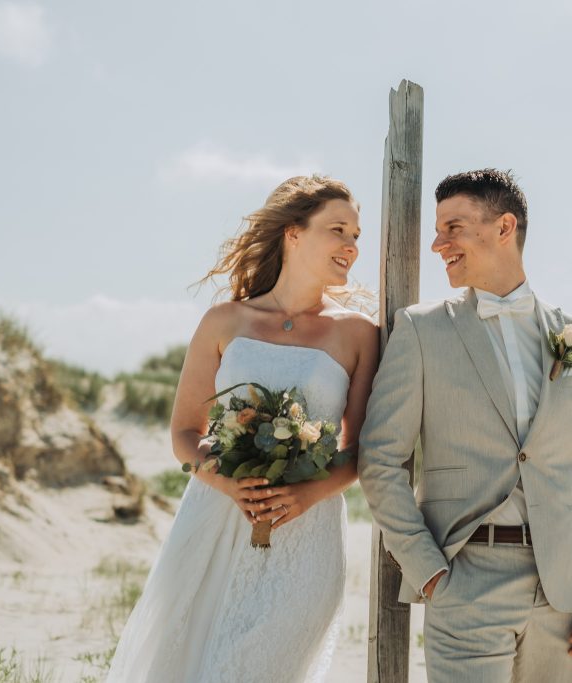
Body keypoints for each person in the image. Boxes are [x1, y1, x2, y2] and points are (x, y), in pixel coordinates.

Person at [358, 168, 572, 682]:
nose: (439, 244)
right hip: (465, 583)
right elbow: (380, 461)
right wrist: (431, 573)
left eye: (453, 227)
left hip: (566, 594)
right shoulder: (420, 330)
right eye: (438, 230)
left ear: (504, 227)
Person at [105, 175, 379, 683]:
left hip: (309, 534)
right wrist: (227, 482)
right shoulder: (225, 322)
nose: (351, 247)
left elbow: (359, 450)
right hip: (216, 520)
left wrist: (305, 496)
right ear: (293, 234)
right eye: (339, 231)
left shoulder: (360, 334)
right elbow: (184, 433)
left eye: (357, 236)